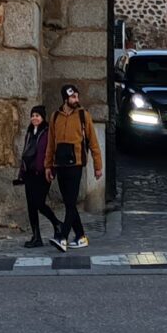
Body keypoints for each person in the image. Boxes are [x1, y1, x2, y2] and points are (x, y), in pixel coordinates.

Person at [44, 82, 101, 250]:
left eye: (77, 96)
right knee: (68, 202)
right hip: (60, 164)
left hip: (76, 164)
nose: (76, 99)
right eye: (73, 97)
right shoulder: (55, 116)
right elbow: (50, 144)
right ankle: (81, 236)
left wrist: (98, 165)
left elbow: (94, 142)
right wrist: (48, 165)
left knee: (71, 202)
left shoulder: (84, 115)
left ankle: (62, 237)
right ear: (65, 98)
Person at [13, 104, 54, 248]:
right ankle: (36, 236)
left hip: (42, 173)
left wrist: (50, 169)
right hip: (29, 173)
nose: (34, 118)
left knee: (39, 203)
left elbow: (50, 151)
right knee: (31, 205)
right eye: (33, 116)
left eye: (37, 116)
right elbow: (25, 153)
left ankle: (57, 224)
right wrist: (21, 173)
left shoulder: (48, 132)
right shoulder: (29, 133)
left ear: (42, 117)